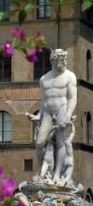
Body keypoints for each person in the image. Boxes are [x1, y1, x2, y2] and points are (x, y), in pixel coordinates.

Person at [26, 49, 77, 185]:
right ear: (53, 60)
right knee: (39, 143)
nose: (64, 63)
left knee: (60, 143)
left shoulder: (70, 76)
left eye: (65, 60)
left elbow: (72, 98)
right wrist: (38, 116)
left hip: (62, 110)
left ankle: (56, 173)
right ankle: (46, 171)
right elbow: (44, 101)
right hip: (48, 112)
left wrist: (68, 116)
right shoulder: (44, 79)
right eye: (61, 60)